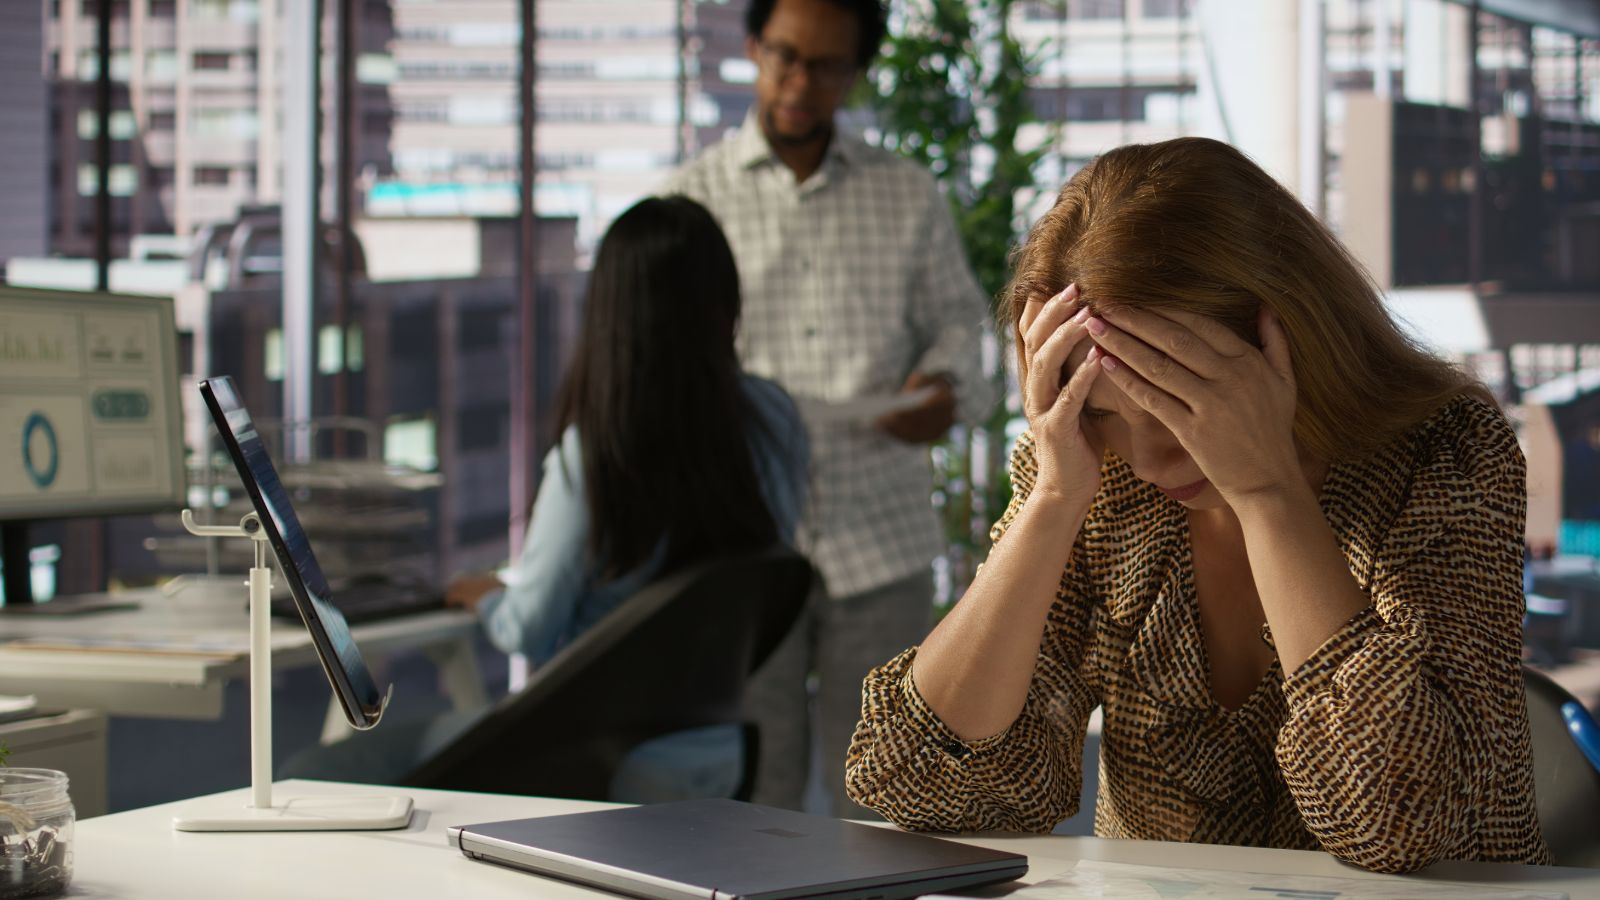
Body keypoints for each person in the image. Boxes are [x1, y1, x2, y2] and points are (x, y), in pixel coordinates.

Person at [843, 137, 1551, 873]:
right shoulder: (1092, 476)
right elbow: (919, 782)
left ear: (1288, 338)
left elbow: (1403, 825)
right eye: (1103, 413)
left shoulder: (1445, 453)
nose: (1148, 459)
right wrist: (1052, 499)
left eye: (1181, 404)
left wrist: (1267, 491)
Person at [283, 196, 809, 801]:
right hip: (720, 752)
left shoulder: (599, 452)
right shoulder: (777, 420)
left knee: (308, 778)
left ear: (610, 310)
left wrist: (490, 597)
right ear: (728, 300)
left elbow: (529, 628)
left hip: (587, 765)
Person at [661, 0, 995, 816]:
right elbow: (664, 366)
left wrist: (947, 395)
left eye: (828, 65)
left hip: (878, 534)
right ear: (752, 48)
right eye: (784, 56)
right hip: (746, 539)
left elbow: (964, 328)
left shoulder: (907, 194)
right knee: (750, 798)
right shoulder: (691, 199)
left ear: (857, 71)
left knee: (883, 797)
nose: (801, 83)